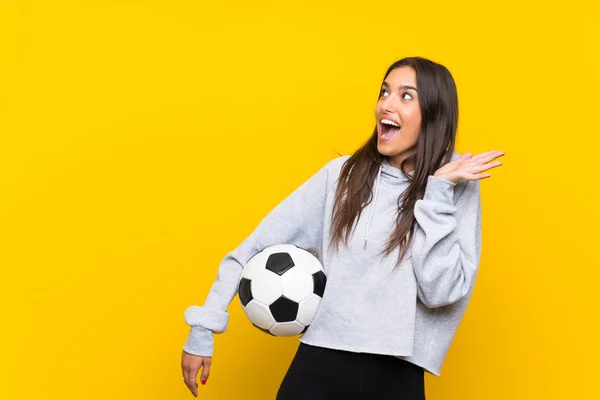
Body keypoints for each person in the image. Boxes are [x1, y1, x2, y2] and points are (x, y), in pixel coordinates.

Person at [180, 56, 504, 399]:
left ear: (434, 114)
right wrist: (203, 326)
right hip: (319, 364)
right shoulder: (341, 176)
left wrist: (437, 191)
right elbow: (252, 248)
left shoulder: (455, 183)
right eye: (384, 92)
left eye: (406, 96)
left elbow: (441, 293)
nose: (386, 104)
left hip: (397, 375)